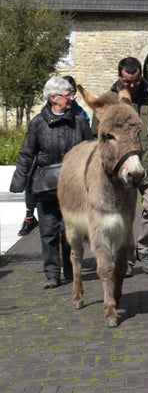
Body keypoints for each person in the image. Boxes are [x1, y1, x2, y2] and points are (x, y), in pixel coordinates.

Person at [10, 76, 93, 288]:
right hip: (45, 185)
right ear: (53, 98)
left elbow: (91, 150)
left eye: (71, 95)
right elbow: (27, 153)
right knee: (48, 230)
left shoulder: (79, 121)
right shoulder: (38, 123)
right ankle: (52, 274)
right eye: (67, 95)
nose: (71, 98)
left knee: (69, 229)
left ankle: (68, 268)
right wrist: (18, 182)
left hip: (73, 185)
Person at [102, 57, 148, 277]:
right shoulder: (108, 100)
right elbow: (96, 133)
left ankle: (144, 249)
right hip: (122, 169)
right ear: (120, 77)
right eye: (127, 81)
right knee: (125, 214)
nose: (132, 85)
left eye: (136, 80)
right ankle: (126, 256)